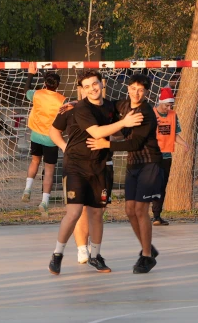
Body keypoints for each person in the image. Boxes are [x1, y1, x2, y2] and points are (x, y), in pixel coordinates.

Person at [45, 71, 142, 275]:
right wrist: (64, 147)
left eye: (95, 84)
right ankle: (57, 254)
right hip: (76, 166)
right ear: (82, 89)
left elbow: (122, 117)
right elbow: (96, 132)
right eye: (87, 86)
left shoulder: (111, 106)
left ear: (101, 84)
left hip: (101, 166)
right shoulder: (78, 108)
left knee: (97, 213)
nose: (92, 88)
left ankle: (95, 256)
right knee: (74, 212)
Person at [88, 74, 163, 273]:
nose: (136, 93)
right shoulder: (122, 106)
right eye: (133, 88)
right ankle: (149, 248)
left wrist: (106, 144)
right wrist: (74, 105)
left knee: (140, 210)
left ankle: (146, 256)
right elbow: (101, 104)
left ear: (146, 92)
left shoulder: (145, 112)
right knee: (129, 210)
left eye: (140, 90)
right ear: (128, 88)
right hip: (133, 165)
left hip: (149, 163)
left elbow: (135, 143)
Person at [22, 71, 66, 209]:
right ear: (58, 85)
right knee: (49, 171)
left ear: (45, 83)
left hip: (36, 135)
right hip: (52, 138)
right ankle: (44, 201)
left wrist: (30, 74)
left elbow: (26, 90)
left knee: (35, 161)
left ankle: (27, 188)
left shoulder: (37, 94)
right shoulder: (62, 100)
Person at [152, 88, 179, 226]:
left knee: (162, 186)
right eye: (166, 105)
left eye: (170, 105)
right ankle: (141, 212)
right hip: (152, 156)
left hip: (167, 155)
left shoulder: (173, 115)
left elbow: (176, 133)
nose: (169, 108)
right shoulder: (151, 114)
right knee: (151, 185)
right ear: (160, 102)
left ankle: (157, 216)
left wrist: (184, 144)